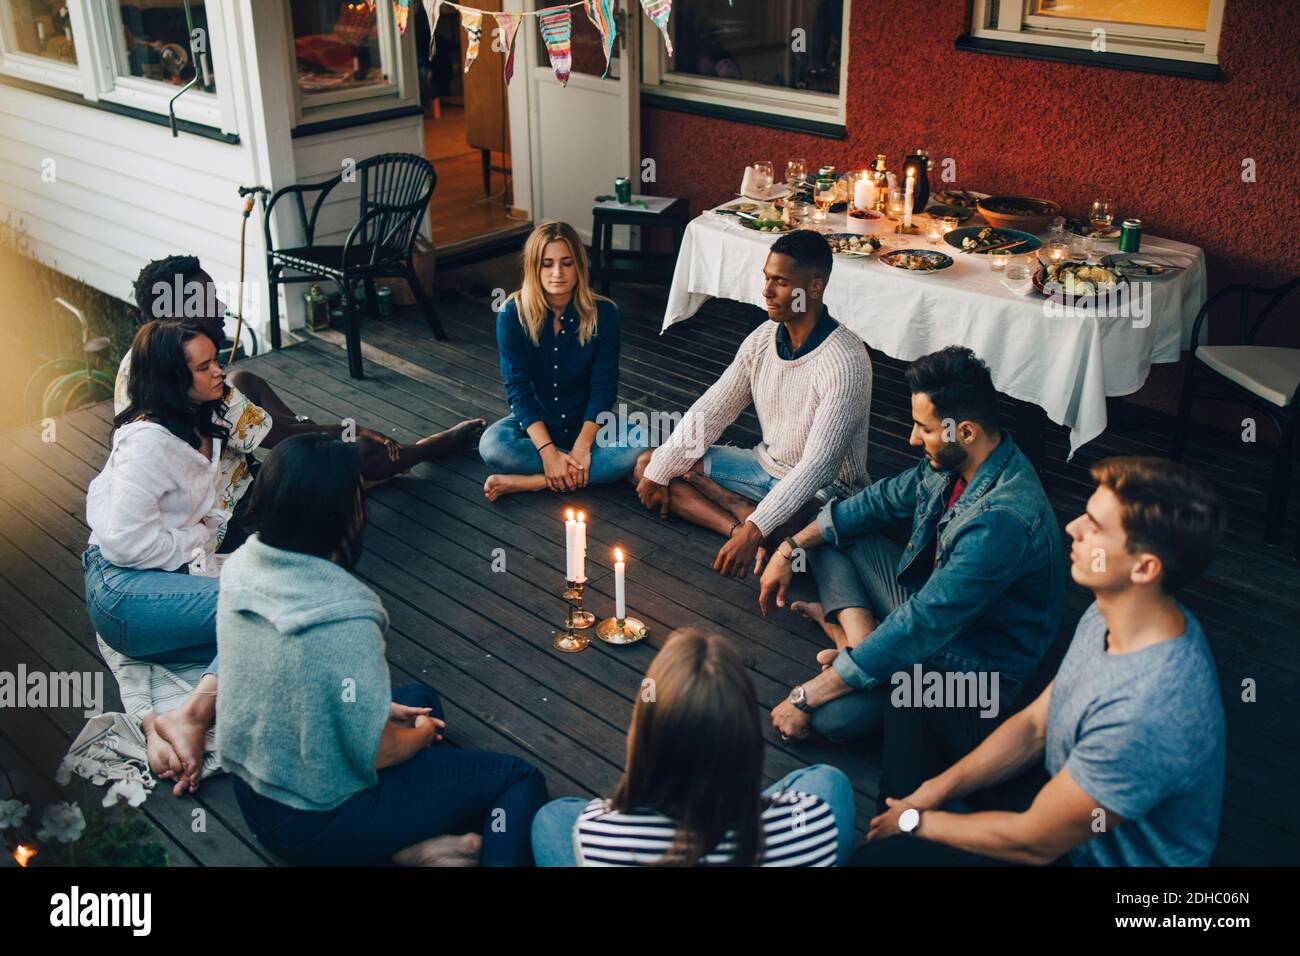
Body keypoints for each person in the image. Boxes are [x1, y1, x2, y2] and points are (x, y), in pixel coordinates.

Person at [859, 457, 1226, 867]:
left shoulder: (1147, 712)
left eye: (1095, 525)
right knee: (917, 683)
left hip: (1071, 854)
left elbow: (1034, 843)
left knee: (884, 855)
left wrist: (916, 824)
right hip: (1058, 786)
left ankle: (893, 842)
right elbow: (1037, 723)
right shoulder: (1112, 610)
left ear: (1144, 568)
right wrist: (929, 797)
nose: (1073, 527)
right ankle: (892, 829)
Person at [218, 433, 548, 866]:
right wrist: (421, 736)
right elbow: (379, 752)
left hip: (259, 802)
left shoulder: (242, 564)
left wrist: (387, 712)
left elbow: (286, 679)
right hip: (323, 818)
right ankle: (410, 844)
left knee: (420, 703)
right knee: (517, 779)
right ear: (341, 512)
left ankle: (411, 850)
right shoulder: (345, 613)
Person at [763, 346, 1064, 744]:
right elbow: (876, 502)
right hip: (926, 611)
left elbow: (924, 623)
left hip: (972, 669)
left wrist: (806, 696)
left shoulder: (1000, 521)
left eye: (924, 428)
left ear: (966, 431)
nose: (911, 438)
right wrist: (789, 548)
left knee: (829, 720)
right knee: (831, 533)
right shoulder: (959, 461)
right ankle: (859, 640)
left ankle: (854, 645)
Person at [123, 255, 485, 551]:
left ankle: (331, 461)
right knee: (352, 448)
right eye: (208, 300)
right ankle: (426, 450)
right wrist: (343, 432)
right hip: (235, 520)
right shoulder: (185, 380)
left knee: (244, 381)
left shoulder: (140, 363)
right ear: (178, 315)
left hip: (232, 477)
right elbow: (276, 436)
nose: (221, 305)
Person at [634, 229, 872, 577]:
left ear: (815, 288)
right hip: (762, 467)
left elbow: (819, 466)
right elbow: (711, 412)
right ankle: (736, 525)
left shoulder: (846, 359)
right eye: (766, 278)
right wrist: (659, 472)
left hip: (826, 490)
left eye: (781, 281)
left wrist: (757, 526)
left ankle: (750, 522)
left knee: (792, 532)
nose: (767, 291)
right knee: (648, 465)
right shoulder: (761, 340)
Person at [531, 628, 855, 866]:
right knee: (829, 780)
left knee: (554, 817)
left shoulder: (596, 836)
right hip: (766, 830)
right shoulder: (814, 823)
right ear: (746, 741)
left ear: (643, 738)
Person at [84, 320, 227, 797]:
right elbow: (123, 541)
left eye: (216, 359)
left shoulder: (194, 419)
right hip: (123, 590)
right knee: (258, 606)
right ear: (171, 378)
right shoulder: (147, 443)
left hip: (152, 589)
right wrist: (191, 542)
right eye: (204, 366)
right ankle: (191, 715)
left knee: (272, 632)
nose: (218, 371)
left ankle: (160, 719)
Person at [478, 221, 648, 501]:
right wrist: (547, 451)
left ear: (579, 267)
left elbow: (604, 387)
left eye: (567, 263)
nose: (558, 273)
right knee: (493, 447)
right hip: (537, 423)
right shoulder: (511, 315)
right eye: (547, 264)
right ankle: (582, 470)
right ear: (534, 267)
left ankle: (535, 481)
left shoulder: (604, 313)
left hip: (590, 424)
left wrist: (582, 446)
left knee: (647, 442)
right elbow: (518, 390)